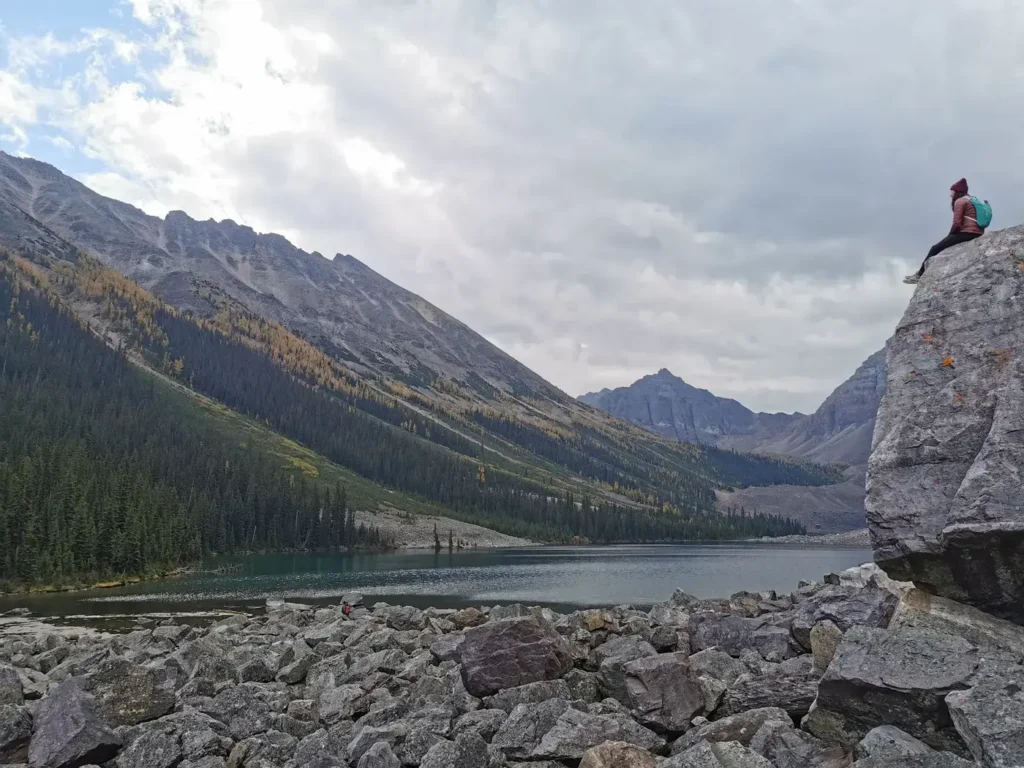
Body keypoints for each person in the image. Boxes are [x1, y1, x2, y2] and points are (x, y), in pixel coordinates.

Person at [904, 178, 984, 284]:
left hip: (968, 232)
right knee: (940, 246)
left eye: (952, 192)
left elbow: (957, 222)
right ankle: (919, 274)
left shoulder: (960, 201)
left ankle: (919, 275)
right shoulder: (971, 199)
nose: (950, 195)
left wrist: (950, 235)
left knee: (935, 248)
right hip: (977, 232)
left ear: (957, 192)